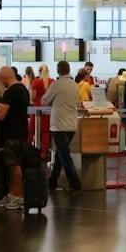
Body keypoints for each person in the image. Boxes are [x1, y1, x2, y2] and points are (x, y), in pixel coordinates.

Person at [0, 66, 30, 210]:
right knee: (12, 165)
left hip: (12, 133)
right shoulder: (22, 89)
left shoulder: (11, 91)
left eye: (0, 79)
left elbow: (1, 115)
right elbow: (13, 108)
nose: (0, 82)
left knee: (14, 166)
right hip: (21, 131)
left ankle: (19, 196)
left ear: (5, 78)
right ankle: (12, 194)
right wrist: (0, 105)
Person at [42, 61, 82, 192]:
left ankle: (75, 184)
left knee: (65, 156)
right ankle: (52, 182)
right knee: (60, 154)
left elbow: (44, 100)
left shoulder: (56, 85)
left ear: (58, 70)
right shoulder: (75, 86)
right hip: (71, 125)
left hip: (58, 125)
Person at [28, 63, 54, 159]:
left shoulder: (36, 82)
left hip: (36, 109)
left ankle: (29, 150)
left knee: (31, 130)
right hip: (48, 110)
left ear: (39, 71)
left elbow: (33, 97)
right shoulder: (52, 82)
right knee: (45, 132)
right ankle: (43, 153)